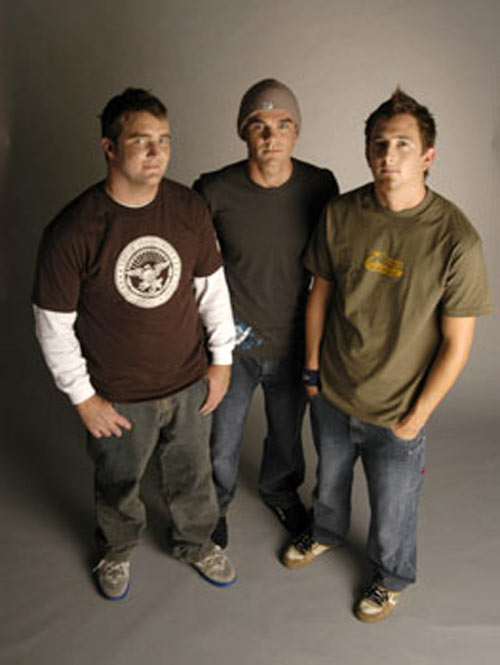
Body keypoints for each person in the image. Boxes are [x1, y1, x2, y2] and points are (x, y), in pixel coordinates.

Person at [282, 88, 493, 622]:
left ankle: (390, 577)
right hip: (333, 390)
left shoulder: (457, 241)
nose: (388, 155)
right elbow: (320, 295)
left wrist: (417, 416)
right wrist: (312, 370)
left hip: (398, 407)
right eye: (379, 144)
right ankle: (325, 531)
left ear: (428, 155)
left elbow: (457, 345)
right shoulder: (341, 213)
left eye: (403, 144)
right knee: (329, 480)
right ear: (367, 151)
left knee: (394, 508)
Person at [32, 88, 237, 600]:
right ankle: (117, 550)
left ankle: (196, 541)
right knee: (118, 482)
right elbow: (52, 324)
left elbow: (212, 289)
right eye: (141, 141)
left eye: (163, 140)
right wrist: (84, 398)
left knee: (193, 475)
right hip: (118, 395)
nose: (156, 152)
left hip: (189, 381)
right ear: (109, 147)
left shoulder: (188, 208)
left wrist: (222, 361)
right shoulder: (74, 229)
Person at [194, 79, 339, 549]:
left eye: (283, 124)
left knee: (286, 437)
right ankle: (214, 504)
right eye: (258, 125)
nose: (271, 135)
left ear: (297, 131)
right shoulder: (214, 190)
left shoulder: (320, 186)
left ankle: (280, 492)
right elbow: (195, 271)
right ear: (243, 132)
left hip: (295, 340)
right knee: (221, 439)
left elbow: (332, 266)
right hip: (231, 345)